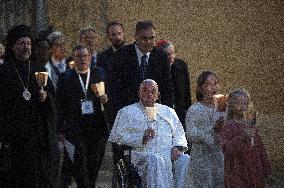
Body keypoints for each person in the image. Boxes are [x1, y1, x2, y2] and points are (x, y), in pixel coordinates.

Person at [0, 24, 53, 187]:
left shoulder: (39, 70)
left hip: (35, 139)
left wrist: (46, 97)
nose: (26, 47)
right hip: (12, 139)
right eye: (21, 43)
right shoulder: (4, 72)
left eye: (28, 43)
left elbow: (52, 100)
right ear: (13, 46)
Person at [109, 79, 188, 188]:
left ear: (158, 95)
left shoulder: (168, 111)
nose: (149, 94)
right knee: (155, 160)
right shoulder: (127, 112)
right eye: (145, 91)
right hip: (143, 160)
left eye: (153, 91)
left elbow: (179, 133)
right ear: (139, 93)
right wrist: (141, 137)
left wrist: (177, 147)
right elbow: (118, 137)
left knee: (185, 159)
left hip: (169, 158)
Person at [56, 44, 109, 188]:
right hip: (76, 130)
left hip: (97, 129)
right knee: (80, 169)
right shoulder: (66, 77)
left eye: (85, 56)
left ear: (90, 58)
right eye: (78, 56)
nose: (82, 59)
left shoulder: (99, 74)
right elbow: (59, 105)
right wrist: (60, 129)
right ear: (73, 58)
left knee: (93, 167)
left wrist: (106, 98)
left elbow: (110, 94)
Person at [218, 89, 272, 188]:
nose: (244, 107)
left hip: (255, 171)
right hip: (237, 172)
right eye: (240, 104)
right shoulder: (227, 126)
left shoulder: (250, 125)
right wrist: (241, 138)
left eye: (246, 104)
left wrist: (266, 169)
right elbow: (226, 149)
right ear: (231, 106)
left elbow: (260, 148)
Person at [185, 70, 224, 188]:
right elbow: (191, 134)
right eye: (208, 84)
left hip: (220, 156)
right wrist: (212, 129)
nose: (213, 88)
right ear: (200, 89)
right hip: (201, 158)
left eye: (215, 83)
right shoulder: (195, 109)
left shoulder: (224, 109)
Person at [156, 39, 191, 128]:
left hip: (180, 110)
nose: (171, 56)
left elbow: (186, 90)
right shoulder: (157, 69)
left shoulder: (181, 66)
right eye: (167, 54)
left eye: (172, 53)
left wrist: (188, 109)